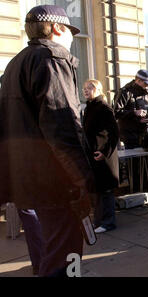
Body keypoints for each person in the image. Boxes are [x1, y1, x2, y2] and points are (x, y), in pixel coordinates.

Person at [0, 5, 95, 276]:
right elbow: (63, 128)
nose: (72, 39)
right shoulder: (52, 57)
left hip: (30, 180)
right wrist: (84, 181)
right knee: (66, 260)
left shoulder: (16, 62)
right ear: (57, 28)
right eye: (70, 31)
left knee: (52, 253)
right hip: (57, 183)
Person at [82, 79, 120, 233]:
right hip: (93, 155)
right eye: (84, 88)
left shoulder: (104, 107)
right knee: (97, 190)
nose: (85, 90)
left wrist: (104, 152)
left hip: (103, 157)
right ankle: (99, 222)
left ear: (98, 89)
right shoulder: (89, 107)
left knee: (105, 191)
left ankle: (108, 222)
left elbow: (114, 132)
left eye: (89, 87)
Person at [113, 69, 148, 149]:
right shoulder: (125, 92)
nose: (147, 86)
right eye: (145, 83)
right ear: (138, 80)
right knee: (133, 160)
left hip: (144, 133)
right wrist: (134, 113)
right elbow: (116, 112)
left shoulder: (147, 93)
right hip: (130, 135)